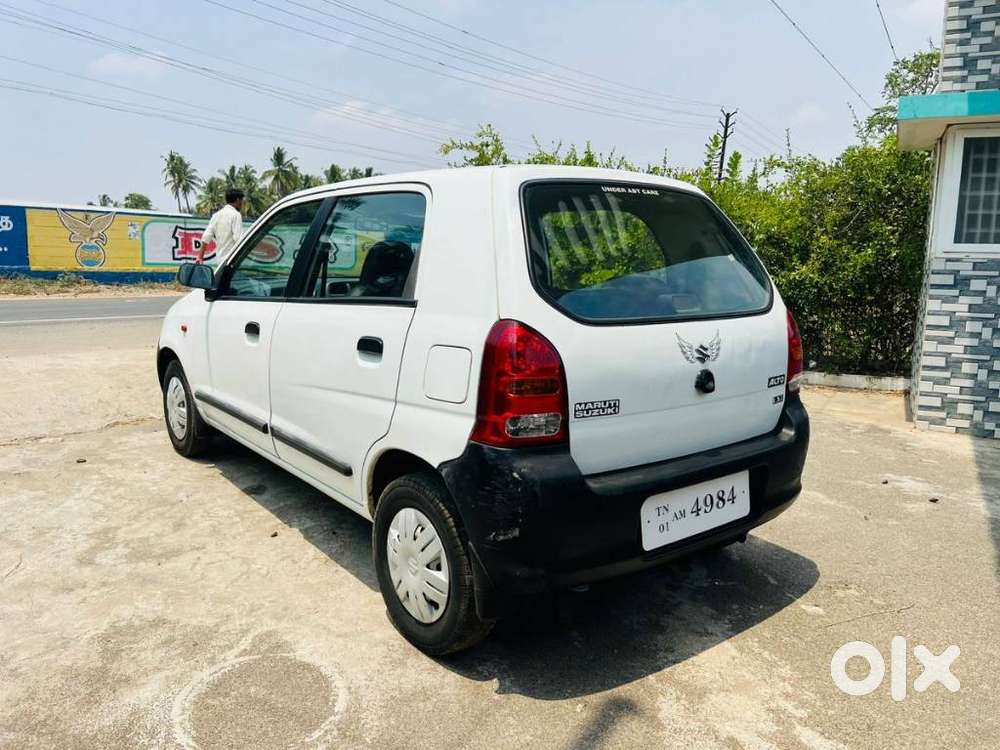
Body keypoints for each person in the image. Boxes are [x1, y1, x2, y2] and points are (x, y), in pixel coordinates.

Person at [196, 189, 244, 265]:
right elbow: (238, 238)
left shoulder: (216, 215)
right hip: (232, 260)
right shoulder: (236, 215)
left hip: (220, 262)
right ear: (238, 200)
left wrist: (200, 256)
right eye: (242, 201)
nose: (242, 204)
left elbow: (206, 236)